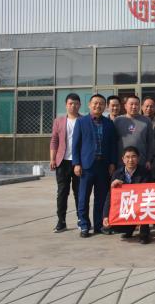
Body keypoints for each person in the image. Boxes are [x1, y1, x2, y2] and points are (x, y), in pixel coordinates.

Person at [72, 94, 117, 237]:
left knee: (101, 197)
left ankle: (99, 225)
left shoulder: (109, 123)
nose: (98, 106)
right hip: (86, 166)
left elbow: (113, 145)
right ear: (89, 105)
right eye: (95, 103)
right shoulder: (81, 122)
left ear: (105, 106)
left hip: (103, 166)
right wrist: (76, 163)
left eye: (101, 104)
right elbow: (75, 145)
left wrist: (112, 162)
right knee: (83, 197)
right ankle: (84, 225)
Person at [101, 146, 151, 244]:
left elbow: (148, 195)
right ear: (123, 159)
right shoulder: (117, 174)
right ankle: (129, 229)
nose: (130, 160)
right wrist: (105, 216)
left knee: (146, 204)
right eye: (127, 157)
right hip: (125, 206)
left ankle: (144, 233)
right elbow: (110, 196)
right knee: (111, 225)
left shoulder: (145, 173)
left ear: (138, 158)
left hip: (141, 205)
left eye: (133, 156)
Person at [50, 93, 82, 233]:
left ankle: (81, 219)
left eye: (76, 103)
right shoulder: (59, 121)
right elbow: (54, 140)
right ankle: (61, 221)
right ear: (66, 105)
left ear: (79, 105)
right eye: (70, 103)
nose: (73, 106)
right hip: (62, 161)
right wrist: (52, 159)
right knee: (62, 192)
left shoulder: (84, 120)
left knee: (79, 192)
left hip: (78, 162)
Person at [114, 95, 154, 170]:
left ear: (140, 106)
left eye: (136, 104)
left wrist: (149, 160)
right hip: (121, 162)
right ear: (125, 106)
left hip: (141, 161)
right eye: (131, 104)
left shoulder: (146, 121)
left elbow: (150, 142)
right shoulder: (118, 120)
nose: (134, 106)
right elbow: (113, 142)